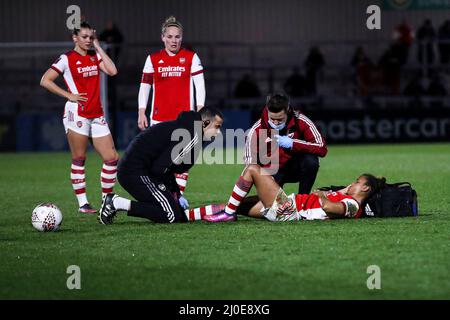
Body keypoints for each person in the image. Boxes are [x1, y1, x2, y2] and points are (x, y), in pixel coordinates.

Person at [40, 21, 119, 213]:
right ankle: (83, 204)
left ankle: (106, 201)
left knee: (111, 158)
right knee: (79, 157)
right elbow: (45, 80)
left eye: (91, 37)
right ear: (74, 38)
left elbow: (113, 71)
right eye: (84, 37)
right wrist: (69, 95)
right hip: (77, 114)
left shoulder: (94, 56)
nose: (88, 41)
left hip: (96, 113)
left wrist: (99, 47)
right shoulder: (66, 58)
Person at [98, 107, 224, 225]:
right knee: (171, 215)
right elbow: (161, 169)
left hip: (136, 169)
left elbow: (166, 167)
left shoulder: (188, 128)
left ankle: (116, 202)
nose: (218, 132)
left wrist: (175, 193)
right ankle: (116, 202)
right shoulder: (192, 135)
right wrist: (171, 192)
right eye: (217, 127)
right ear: (205, 123)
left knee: (177, 213)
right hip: (135, 171)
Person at [137, 16, 206, 201]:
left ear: (181, 38)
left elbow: (200, 86)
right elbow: (145, 86)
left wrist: (200, 112)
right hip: (158, 119)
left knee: (182, 160)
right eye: (170, 36)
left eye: (177, 37)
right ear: (163, 37)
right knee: (158, 161)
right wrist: (141, 111)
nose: (173, 40)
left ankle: (178, 197)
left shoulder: (191, 57)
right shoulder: (153, 59)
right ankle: (162, 195)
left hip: (183, 119)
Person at [202, 164, 385, 222]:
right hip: (288, 207)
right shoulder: (348, 196)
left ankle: (227, 214)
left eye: (357, 182)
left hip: (288, 209)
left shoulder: (353, 205)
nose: (352, 183)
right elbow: (341, 193)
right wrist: (335, 191)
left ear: (365, 188)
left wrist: (322, 196)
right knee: (235, 206)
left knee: (253, 169)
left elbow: (329, 207)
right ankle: (185, 215)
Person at [243, 93, 327, 204]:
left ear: (288, 111)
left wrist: (293, 144)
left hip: (296, 167)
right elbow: (250, 166)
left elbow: (322, 148)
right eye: (272, 119)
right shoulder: (256, 130)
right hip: (272, 171)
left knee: (311, 160)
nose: (276, 123)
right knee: (273, 206)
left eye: (280, 119)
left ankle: (303, 200)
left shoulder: (301, 121)